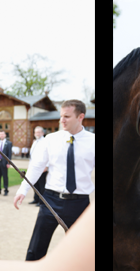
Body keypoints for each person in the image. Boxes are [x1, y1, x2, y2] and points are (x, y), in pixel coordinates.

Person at [13, 99, 95, 261]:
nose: (61, 120)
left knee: (81, 253)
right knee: (36, 249)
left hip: (79, 204)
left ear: (80, 117)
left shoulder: (93, 141)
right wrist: (23, 190)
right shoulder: (50, 140)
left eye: (66, 116)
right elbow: (36, 166)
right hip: (50, 201)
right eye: (60, 116)